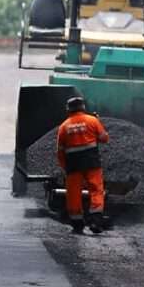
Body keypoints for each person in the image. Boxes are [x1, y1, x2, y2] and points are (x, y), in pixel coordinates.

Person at [56, 96, 109, 234]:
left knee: (73, 194)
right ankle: (96, 221)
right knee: (96, 189)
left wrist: (64, 167)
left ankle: (77, 224)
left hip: (73, 165)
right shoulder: (92, 121)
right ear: (83, 107)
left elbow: (60, 152)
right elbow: (104, 138)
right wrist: (98, 124)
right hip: (92, 162)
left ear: (68, 110)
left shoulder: (63, 127)